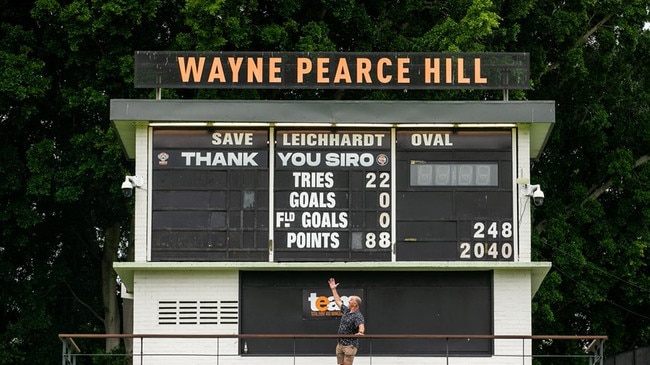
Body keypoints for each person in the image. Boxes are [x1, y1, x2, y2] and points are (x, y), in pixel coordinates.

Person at [328, 277, 365, 365]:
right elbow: (337, 300)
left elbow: (361, 325)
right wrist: (333, 289)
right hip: (340, 344)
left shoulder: (357, 315)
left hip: (350, 345)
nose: (349, 300)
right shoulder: (346, 310)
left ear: (355, 304)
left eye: (351, 300)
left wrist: (360, 332)